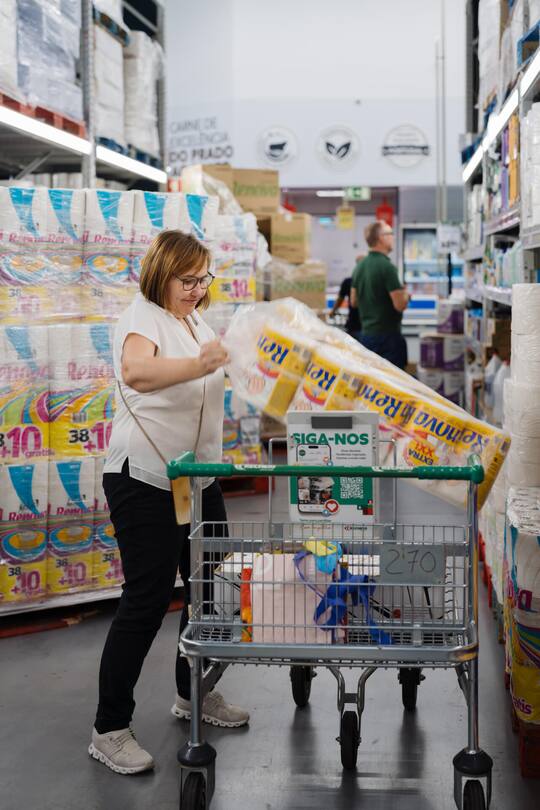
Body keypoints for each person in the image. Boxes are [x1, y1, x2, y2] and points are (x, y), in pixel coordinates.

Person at [89, 230, 249, 777]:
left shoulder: (193, 319)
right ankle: (109, 728)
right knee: (146, 600)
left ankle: (192, 695)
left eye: (204, 279)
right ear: (162, 273)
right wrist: (202, 366)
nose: (197, 289)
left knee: (211, 590)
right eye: (188, 279)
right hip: (147, 477)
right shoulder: (144, 316)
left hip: (198, 480)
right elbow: (137, 372)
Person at [351, 221, 410, 369]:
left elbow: (353, 302)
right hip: (388, 339)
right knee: (393, 385)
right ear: (381, 238)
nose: (393, 237)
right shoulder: (387, 267)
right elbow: (400, 305)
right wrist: (405, 295)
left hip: (366, 336)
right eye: (390, 234)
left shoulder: (360, 266)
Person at [329, 258, 363, 336]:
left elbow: (341, 299)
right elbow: (341, 299)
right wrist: (333, 311)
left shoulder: (349, 281)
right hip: (359, 324)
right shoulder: (349, 282)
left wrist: (333, 311)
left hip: (357, 324)